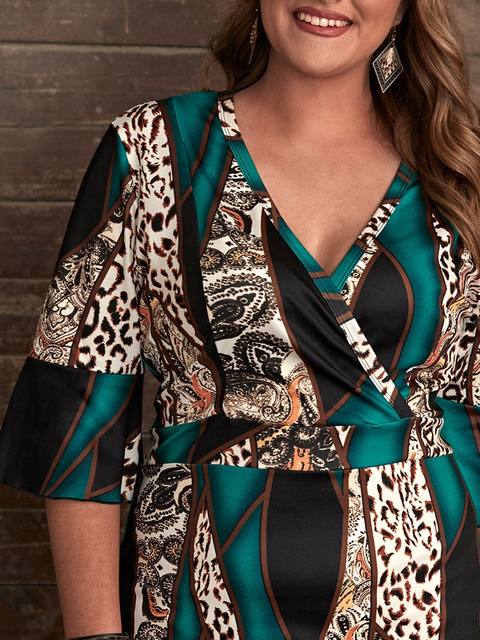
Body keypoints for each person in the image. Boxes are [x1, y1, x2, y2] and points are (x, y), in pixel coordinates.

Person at [0, 0, 479, 638]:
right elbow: (77, 418)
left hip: (429, 594)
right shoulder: (155, 150)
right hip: (193, 592)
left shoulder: (458, 168)